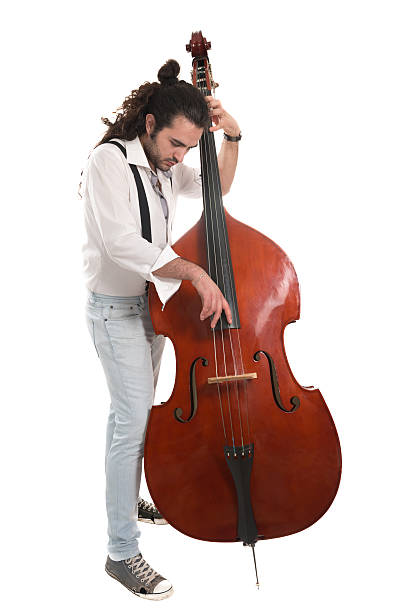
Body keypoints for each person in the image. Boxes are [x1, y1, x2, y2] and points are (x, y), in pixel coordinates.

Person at [81, 59, 241, 600]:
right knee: (131, 425)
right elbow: (122, 245)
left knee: (134, 419)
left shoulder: (165, 164)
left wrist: (234, 136)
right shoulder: (110, 162)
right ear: (149, 124)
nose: (181, 157)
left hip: (152, 308)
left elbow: (216, 187)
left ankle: (129, 504)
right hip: (116, 309)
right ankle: (120, 553)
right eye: (176, 144)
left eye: (189, 148)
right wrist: (195, 271)